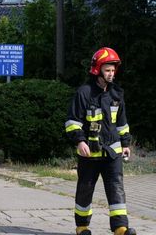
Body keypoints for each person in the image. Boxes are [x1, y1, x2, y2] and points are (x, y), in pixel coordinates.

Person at [64, 47, 136, 235]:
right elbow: (72, 122)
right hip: (90, 154)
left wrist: (126, 144)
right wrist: (80, 141)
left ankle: (120, 227)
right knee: (85, 190)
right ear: (97, 70)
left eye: (113, 70)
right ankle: (82, 227)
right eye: (107, 70)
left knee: (116, 188)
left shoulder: (117, 94)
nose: (111, 74)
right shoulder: (84, 93)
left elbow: (122, 123)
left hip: (112, 152)